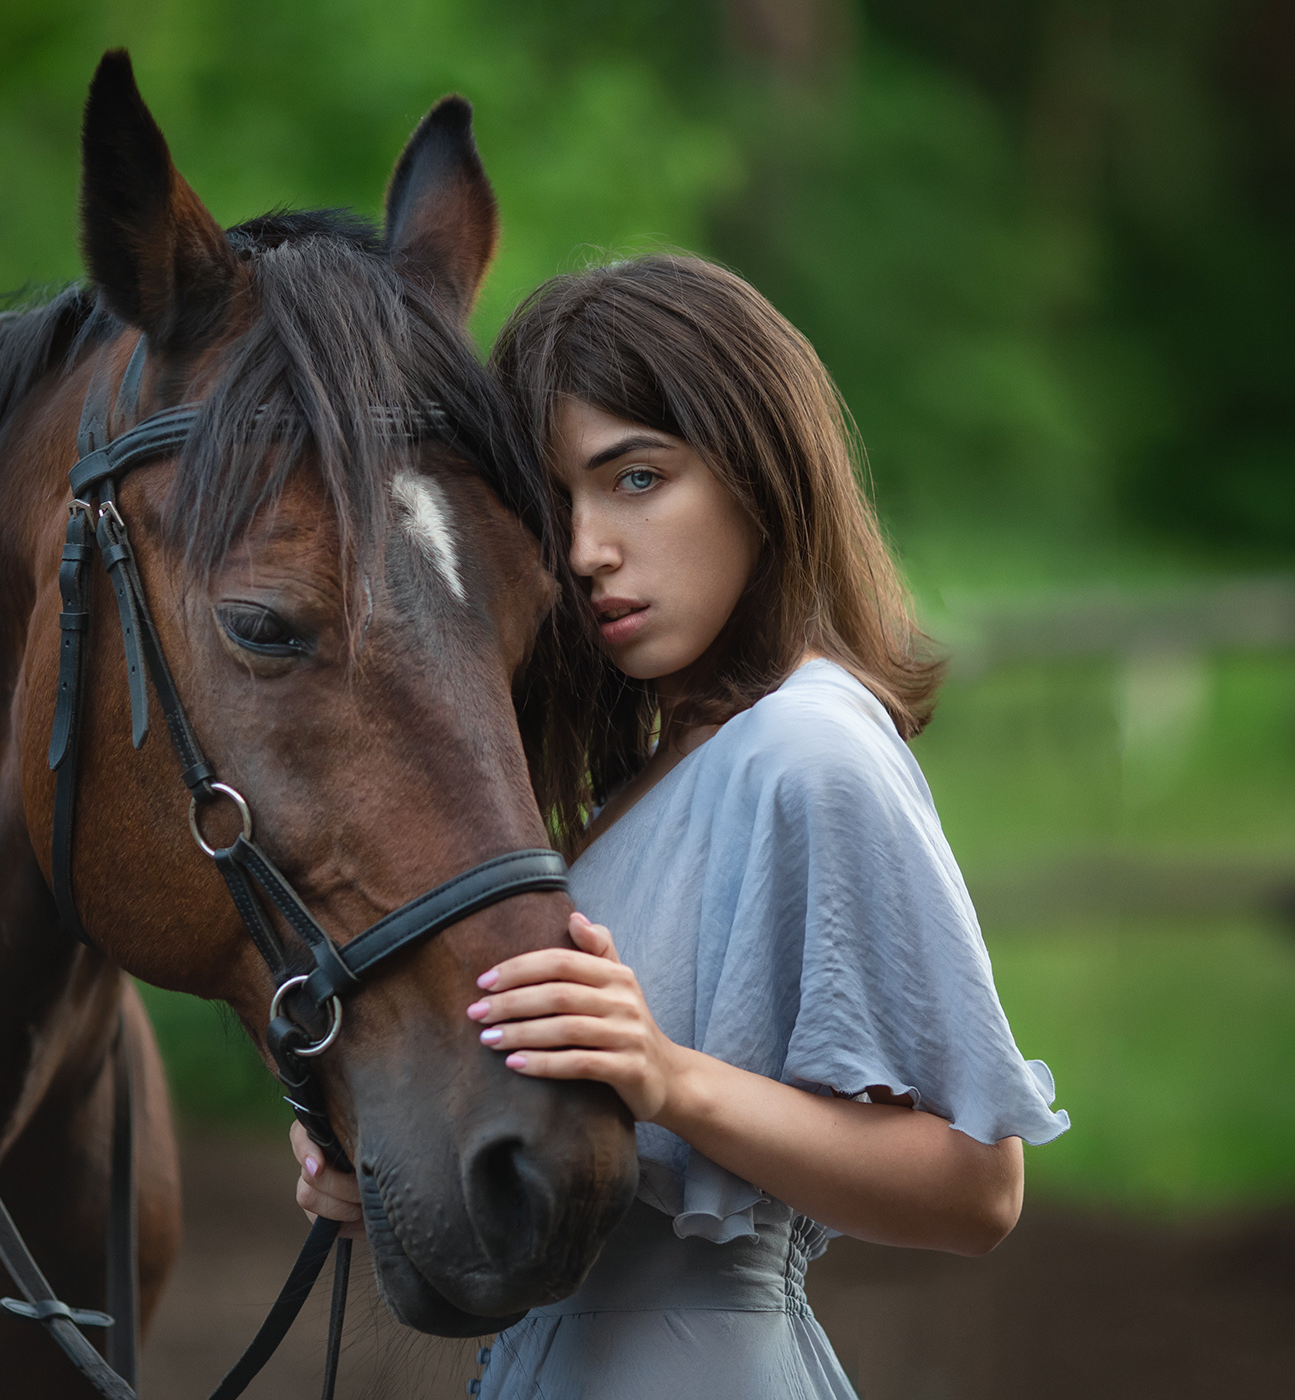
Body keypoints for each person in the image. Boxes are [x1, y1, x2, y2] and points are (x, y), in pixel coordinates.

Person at [291, 253, 1069, 1398]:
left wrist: (668, 1077)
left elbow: (978, 1186)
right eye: (556, 502)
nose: (586, 549)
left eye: (638, 477)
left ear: (762, 467)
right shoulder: (652, 774)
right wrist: (395, 1163)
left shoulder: (808, 750)